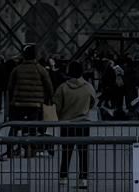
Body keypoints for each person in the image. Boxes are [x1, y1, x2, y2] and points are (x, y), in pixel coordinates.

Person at [54, 61, 96, 189]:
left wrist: (62, 116)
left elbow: (57, 106)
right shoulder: (88, 87)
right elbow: (92, 103)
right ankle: (83, 179)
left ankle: (63, 177)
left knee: (66, 152)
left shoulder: (62, 88)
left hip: (67, 124)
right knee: (83, 153)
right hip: (83, 123)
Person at [7, 44, 53, 158]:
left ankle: (9, 150)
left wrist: (12, 100)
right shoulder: (40, 69)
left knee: (14, 127)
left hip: (18, 104)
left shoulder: (17, 69)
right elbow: (49, 86)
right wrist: (48, 99)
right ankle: (31, 151)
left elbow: (10, 87)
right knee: (33, 128)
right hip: (35, 104)